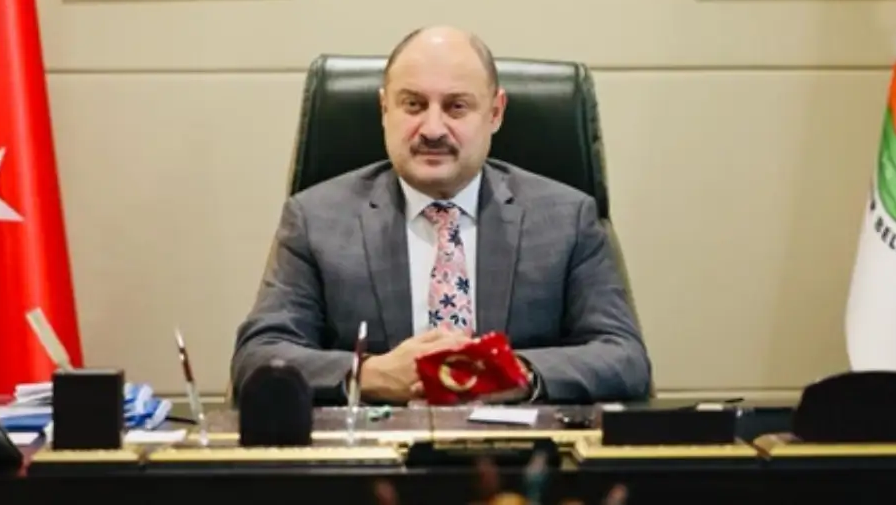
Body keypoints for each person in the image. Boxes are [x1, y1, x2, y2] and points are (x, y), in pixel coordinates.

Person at [231, 26, 651, 406]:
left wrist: (512, 374)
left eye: (456, 107)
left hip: (520, 457)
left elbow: (624, 357)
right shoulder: (315, 219)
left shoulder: (567, 218)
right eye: (413, 105)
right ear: (384, 109)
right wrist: (368, 374)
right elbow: (259, 357)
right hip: (373, 458)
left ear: (495, 113)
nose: (432, 129)